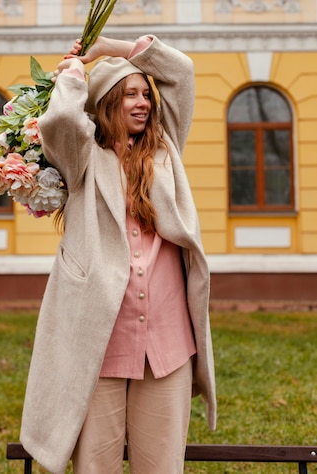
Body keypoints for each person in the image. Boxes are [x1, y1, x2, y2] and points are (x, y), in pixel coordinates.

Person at [20, 34, 216, 474]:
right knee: (96, 466)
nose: (144, 102)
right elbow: (63, 125)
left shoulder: (167, 150)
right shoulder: (82, 159)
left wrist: (110, 46)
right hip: (98, 342)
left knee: (162, 466)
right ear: (108, 103)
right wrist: (72, 77)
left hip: (166, 345)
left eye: (147, 94)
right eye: (131, 94)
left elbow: (180, 71)